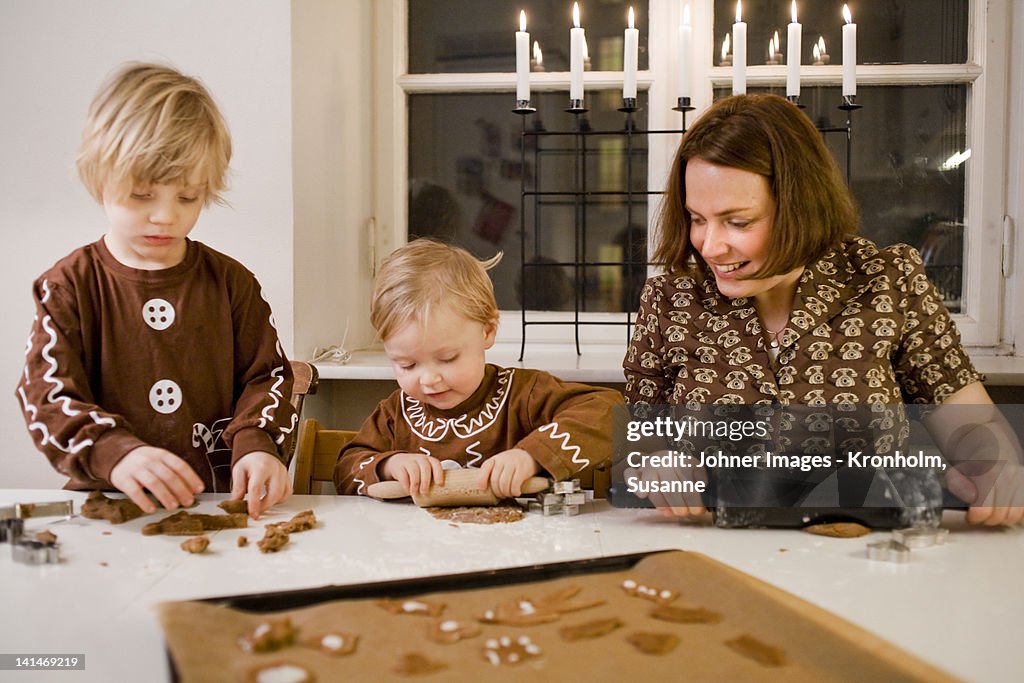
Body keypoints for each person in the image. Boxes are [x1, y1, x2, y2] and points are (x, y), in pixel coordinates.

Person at [623, 93, 1023, 525]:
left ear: (802, 209)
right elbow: (642, 439)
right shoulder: (671, 300)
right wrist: (656, 466)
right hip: (713, 560)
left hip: (867, 556)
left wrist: (996, 468)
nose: (710, 246)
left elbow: (971, 424)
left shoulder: (886, 281)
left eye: (738, 222)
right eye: (697, 219)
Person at [15, 63, 296, 519]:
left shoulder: (230, 282)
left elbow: (268, 377)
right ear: (98, 179)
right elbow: (45, 396)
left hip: (215, 506)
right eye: (142, 195)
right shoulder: (69, 285)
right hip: (107, 510)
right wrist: (114, 451)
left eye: (187, 197)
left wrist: (256, 445)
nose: (165, 216)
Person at [334, 239, 623, 498]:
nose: (429, 379)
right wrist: (389, 465)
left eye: (448, 358)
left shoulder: (525, 395)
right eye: (406, 365)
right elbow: (346, 469)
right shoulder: (395, 414)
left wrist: (531, 457)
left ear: (487, 331)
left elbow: (609, 412)